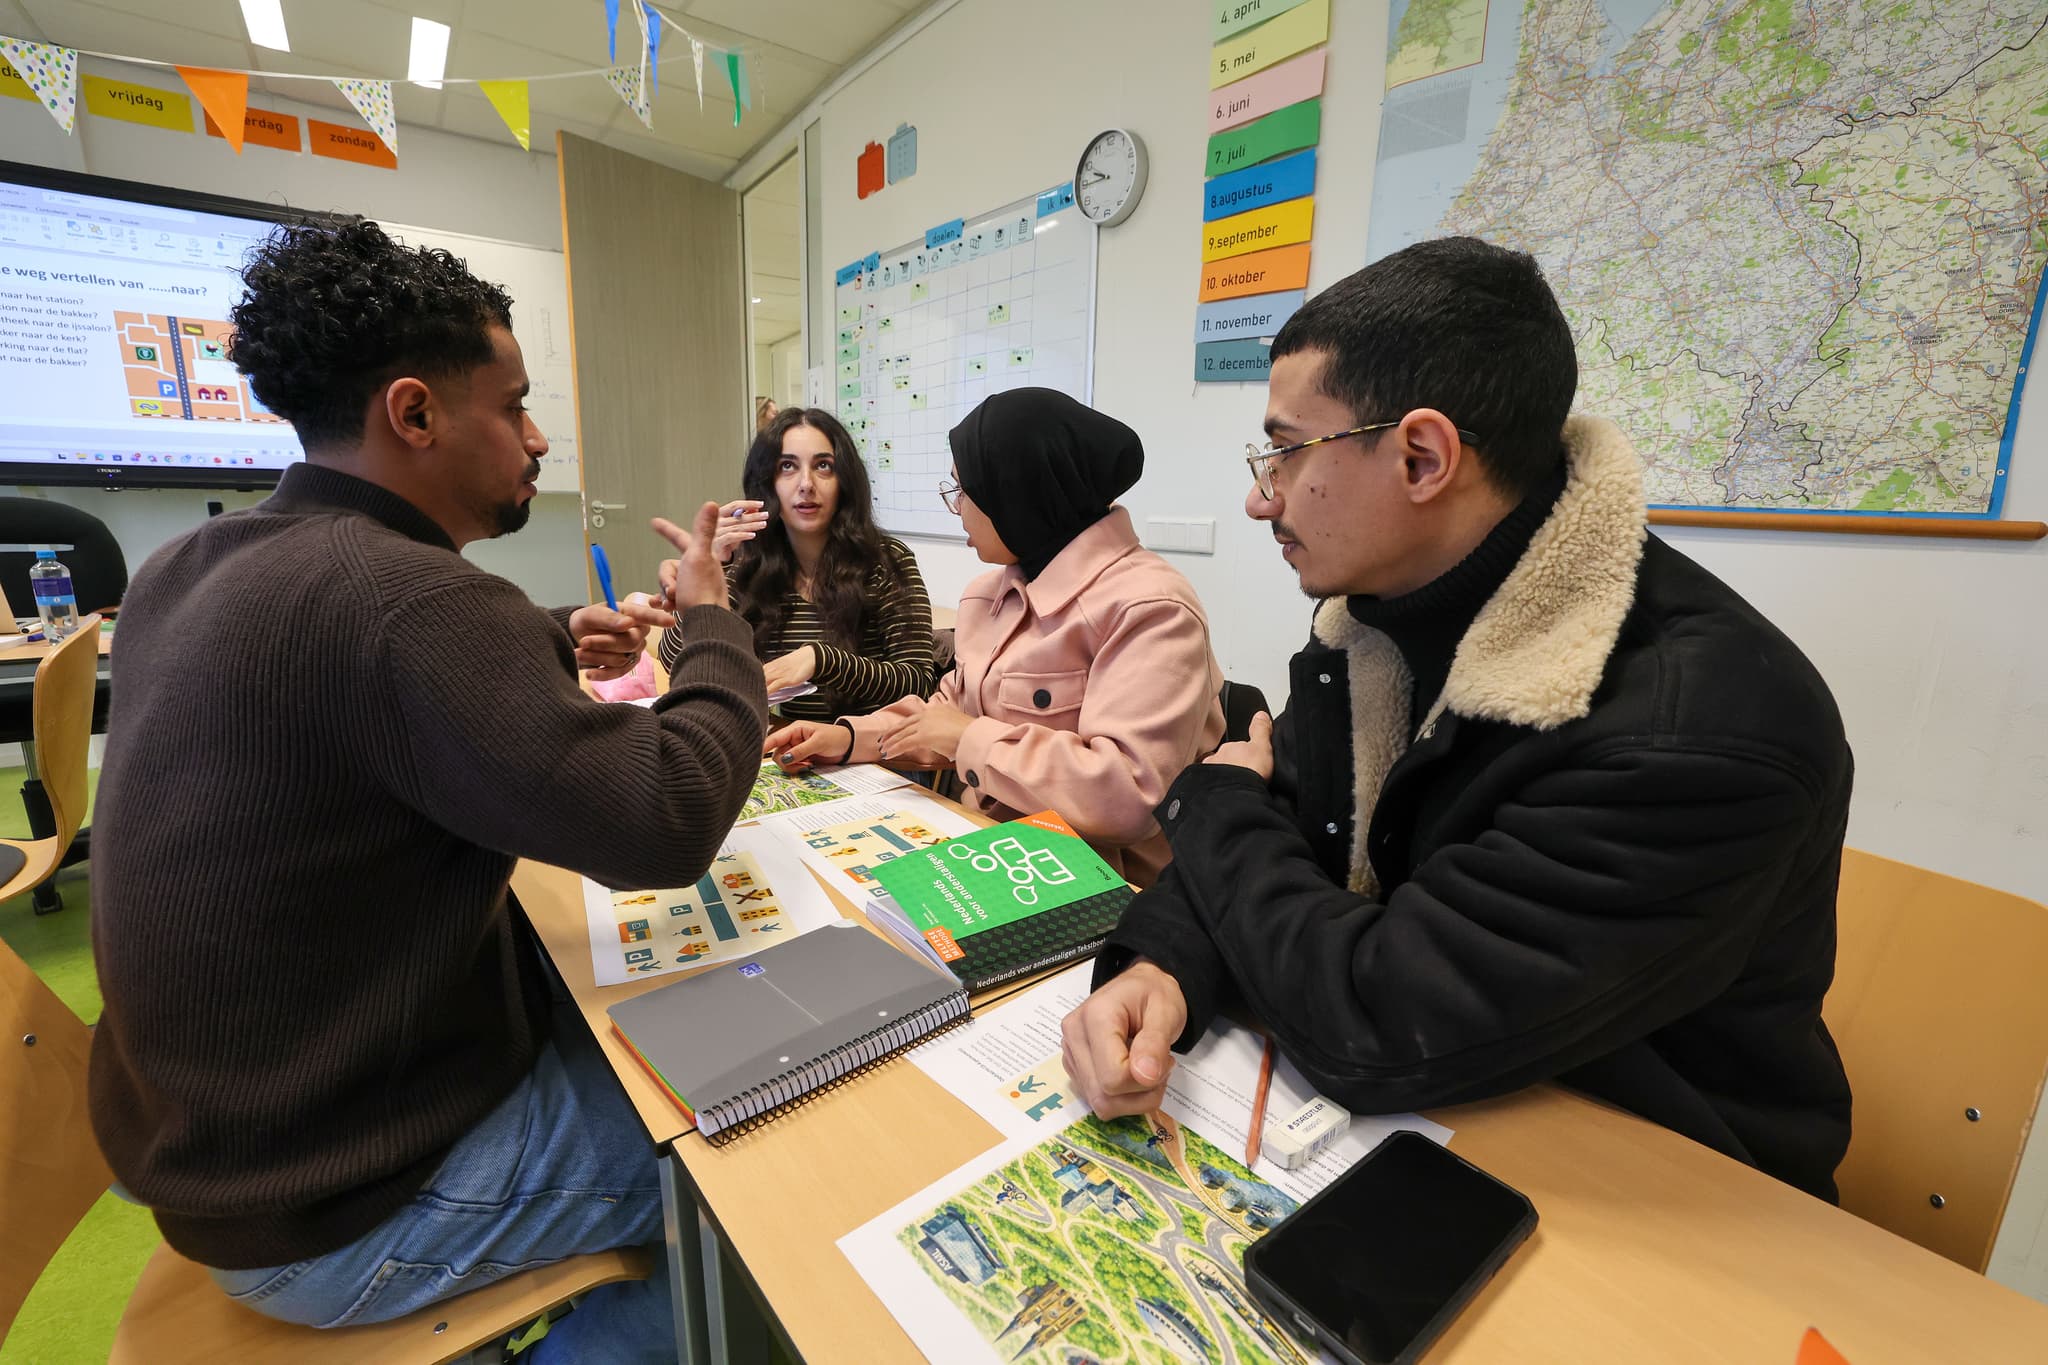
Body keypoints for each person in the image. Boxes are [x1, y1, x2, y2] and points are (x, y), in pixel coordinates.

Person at [88, 219, 766, 1361]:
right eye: (513, 407)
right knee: (743, 1161)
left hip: (215, 1153)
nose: (537, 438)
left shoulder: (189, 566)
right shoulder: (415, 606)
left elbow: (327, 685)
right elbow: (667, 817)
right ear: (413, 413)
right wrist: (713, 626)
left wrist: (546, 637)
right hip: (335, 1209)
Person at [1061, 237, 1855, 1201]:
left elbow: (1371, 1017)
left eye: (1283, 449)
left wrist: (1213, 797)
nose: (1258, 494)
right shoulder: (1374, 625)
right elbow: (1293, 830)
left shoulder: (1700, 727)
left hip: (1657, 1192)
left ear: (1424, 456)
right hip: (1451, 1116)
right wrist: (1166, 964)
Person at [764, 389, 1224, 886]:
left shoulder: (1150, 607)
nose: (956, 508)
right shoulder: (994, 592)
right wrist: (851, 738)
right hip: (989, 850)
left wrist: (967, 738)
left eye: (964, 491)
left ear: (1016, 493)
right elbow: (947, 708)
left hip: (1101, 884)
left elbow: (1127, 797)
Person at [658, 407, 934, 723]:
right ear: (768, 482)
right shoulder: (745, 562)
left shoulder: (888, 560)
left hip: (867, 757)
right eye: (787, 466)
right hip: (778, 749)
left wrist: (821, 660)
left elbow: (918, 683)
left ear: (844, 481)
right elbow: (675, 663)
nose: (806, 484)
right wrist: (706, 570)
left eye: (824, 466)